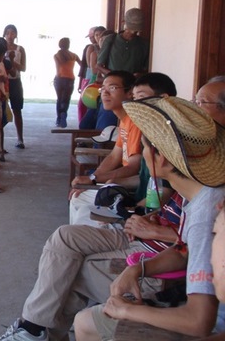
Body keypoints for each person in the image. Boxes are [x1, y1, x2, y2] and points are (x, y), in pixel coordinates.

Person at [0, 73, 184, 341]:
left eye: (140, 98)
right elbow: (156, 194)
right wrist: (136, 210)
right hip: (142, 230)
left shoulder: (186, 164)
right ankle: (34, 330)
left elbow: (191, 241)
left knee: (69, 269)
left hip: (154, 250)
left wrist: (150, 225)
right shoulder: (153, 139)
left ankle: (34, 331)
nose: (134, 104)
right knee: (65, 237)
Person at [74, 96, 225, 341]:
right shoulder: (200, 195)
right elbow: (183, 250)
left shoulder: (205, 216)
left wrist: (129, 311)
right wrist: (139, 268)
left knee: (86, 322)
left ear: (160, 158)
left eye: (144, 148)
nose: (143, 154)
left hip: (211, 327)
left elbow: (199, 322)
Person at [69, 71, 141, 226]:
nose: (105, 93)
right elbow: (114, 156)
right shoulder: (125, 120)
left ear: (130, 93)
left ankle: (86, 237)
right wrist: (92, 179)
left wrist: (93, 180)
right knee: (78, 197)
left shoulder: (135, 122)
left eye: (113, 88)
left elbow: (133, 167)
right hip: (117, 183)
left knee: (82, 207)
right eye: (103, 89)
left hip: (132, 187)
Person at [3, 24, 26, 148]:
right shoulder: (1, 48)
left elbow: (23, 68)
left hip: (15, 81)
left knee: (17, 110)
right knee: (0, 110)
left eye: (12, 33)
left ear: (16, 35)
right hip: (3, 81)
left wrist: (12, 61)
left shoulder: (20, 49)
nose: (10, 35)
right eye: (7, 33)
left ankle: (20, 139)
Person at [53, 37, 81, 128]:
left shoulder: (57, 55)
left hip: (59, 78)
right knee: (66, 99)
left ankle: (59, 119)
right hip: (70, 79)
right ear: (68, 45)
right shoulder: (74, 55)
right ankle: (63, 114)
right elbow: (82, 64)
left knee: (59, 99)